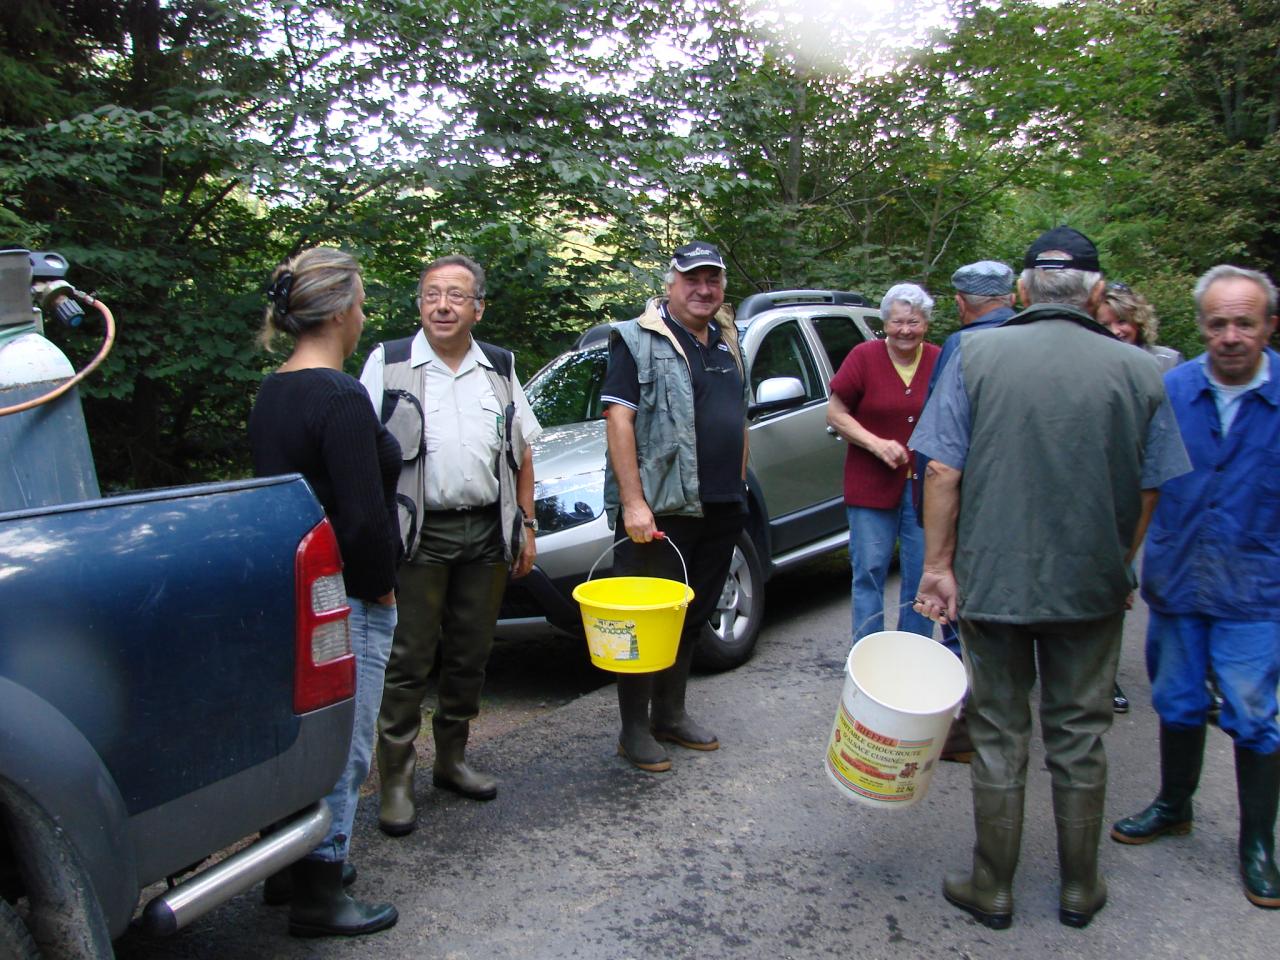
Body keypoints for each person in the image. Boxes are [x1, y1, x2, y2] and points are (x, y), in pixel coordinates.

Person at [910, 226, 1190, 930]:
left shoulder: (975, 353)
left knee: (1001, 734)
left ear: (1024, 289)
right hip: (1091, 586)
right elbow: (1152, 485)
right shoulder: (1139, 370)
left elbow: (942, 469)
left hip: (993, 582)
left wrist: (939, 567)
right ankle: (1080, 888)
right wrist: (1121, 559)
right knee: (1079, 735)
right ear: (1097, 292)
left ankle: (993, 886)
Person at [1110, 264, 1280, 910]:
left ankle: (1257, 846)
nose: (1230, 335)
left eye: (1244, 322)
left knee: (1252, 713)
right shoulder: (1171, 391)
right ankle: (1173, 805)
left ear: (1269, 325)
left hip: (1256, 590)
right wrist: (1122, 562)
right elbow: (1138, 485)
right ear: (1201, 326)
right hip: (1178, 582)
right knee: (1178, 700)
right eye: (1218, 323)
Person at [249, 247, 400, 938]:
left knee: (303, 738)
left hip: (295, 594)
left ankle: (288, 867)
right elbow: (364, 519)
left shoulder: (273, 391)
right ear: (340, 311)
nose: (364, 317)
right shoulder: (340, 396)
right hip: (346, 601)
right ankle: (320, 889)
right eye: (362, 304)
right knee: (346, 745)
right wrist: (380, 592)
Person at [360, 254, 539, 835]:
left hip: (487, 531)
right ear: (419, 304)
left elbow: (523, 451)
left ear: (478, 308)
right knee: (408, 660)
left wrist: (527, 526)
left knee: (470, 654)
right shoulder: (387, 365)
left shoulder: (500, 367)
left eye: (457, 296)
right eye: (432, 294)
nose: (442, 305)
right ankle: (395, 780)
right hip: (416, 534)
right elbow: (358, 456)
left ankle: (453, 761)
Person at [600, 240, 748, 773]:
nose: (703, 289)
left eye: (713, 279)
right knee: (644, 624)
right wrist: (635, 504)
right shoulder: (636, 339)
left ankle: (671, 714)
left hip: (720, 503)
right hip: (661, 509)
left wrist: (738, 483)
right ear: (671, 284)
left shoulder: (729, 340)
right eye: (692, 279)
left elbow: (739, 416)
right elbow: (619, 422)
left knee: (691, 616)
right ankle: (633, 731)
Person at [916, 261, 1017, 763]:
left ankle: (968, 725)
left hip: (968, 509)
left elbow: (942, 457)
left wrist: (935, 550)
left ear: (960, 302)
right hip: (1015, 510)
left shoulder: (964, 346)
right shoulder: (1030, 337)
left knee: (958, 614)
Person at [827, 282, 939, 643]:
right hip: (870, 485)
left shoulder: (940, 359)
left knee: (921, 573)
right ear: (885, 323)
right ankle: (868, 653)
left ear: (926, 323)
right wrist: (875, 444)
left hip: (926, 488)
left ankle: (914, 651)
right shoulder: (864, 356)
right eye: (897, 322)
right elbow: (835, 412)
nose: (905, 331)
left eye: (914, 322)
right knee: (869, 571)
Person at [1098, 281, 1185, 714]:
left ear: (1139, 323)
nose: (1116, 331)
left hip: (1148, 488)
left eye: (1123, 323)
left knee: (1124, 577)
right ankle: (1099, 673)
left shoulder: (1166, 363)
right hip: (1100, 489)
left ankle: (1107, 671)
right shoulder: (1090, 364)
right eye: (1106, 323)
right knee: (1099, 579)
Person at [1099, 281, 1183, 372]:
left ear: (1138, 321)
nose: (1115, 331)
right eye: (1105, 325)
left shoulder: (1168, 361)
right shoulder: (1094, 368)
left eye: (1122, 321)